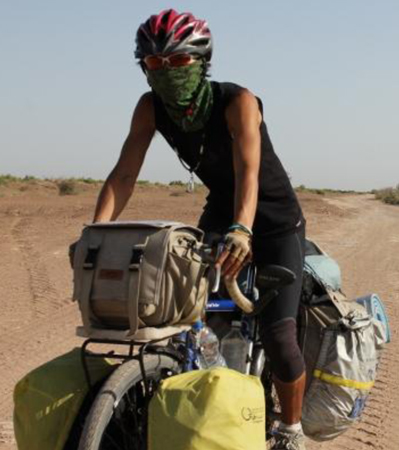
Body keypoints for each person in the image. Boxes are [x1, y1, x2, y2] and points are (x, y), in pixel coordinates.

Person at [91, 9, 308, 449]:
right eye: (155, 64)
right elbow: (124, 174)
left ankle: (291, 429)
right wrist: (97, 233)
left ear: (202, 61)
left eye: (178, 62)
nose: (167, 72)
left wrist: (243, 230)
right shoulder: (150, 108)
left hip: (273, 221)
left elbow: (249, 172)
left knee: (278, 332)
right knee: (183, 316)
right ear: (144, 67)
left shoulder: (238, 101)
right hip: (220, 214)